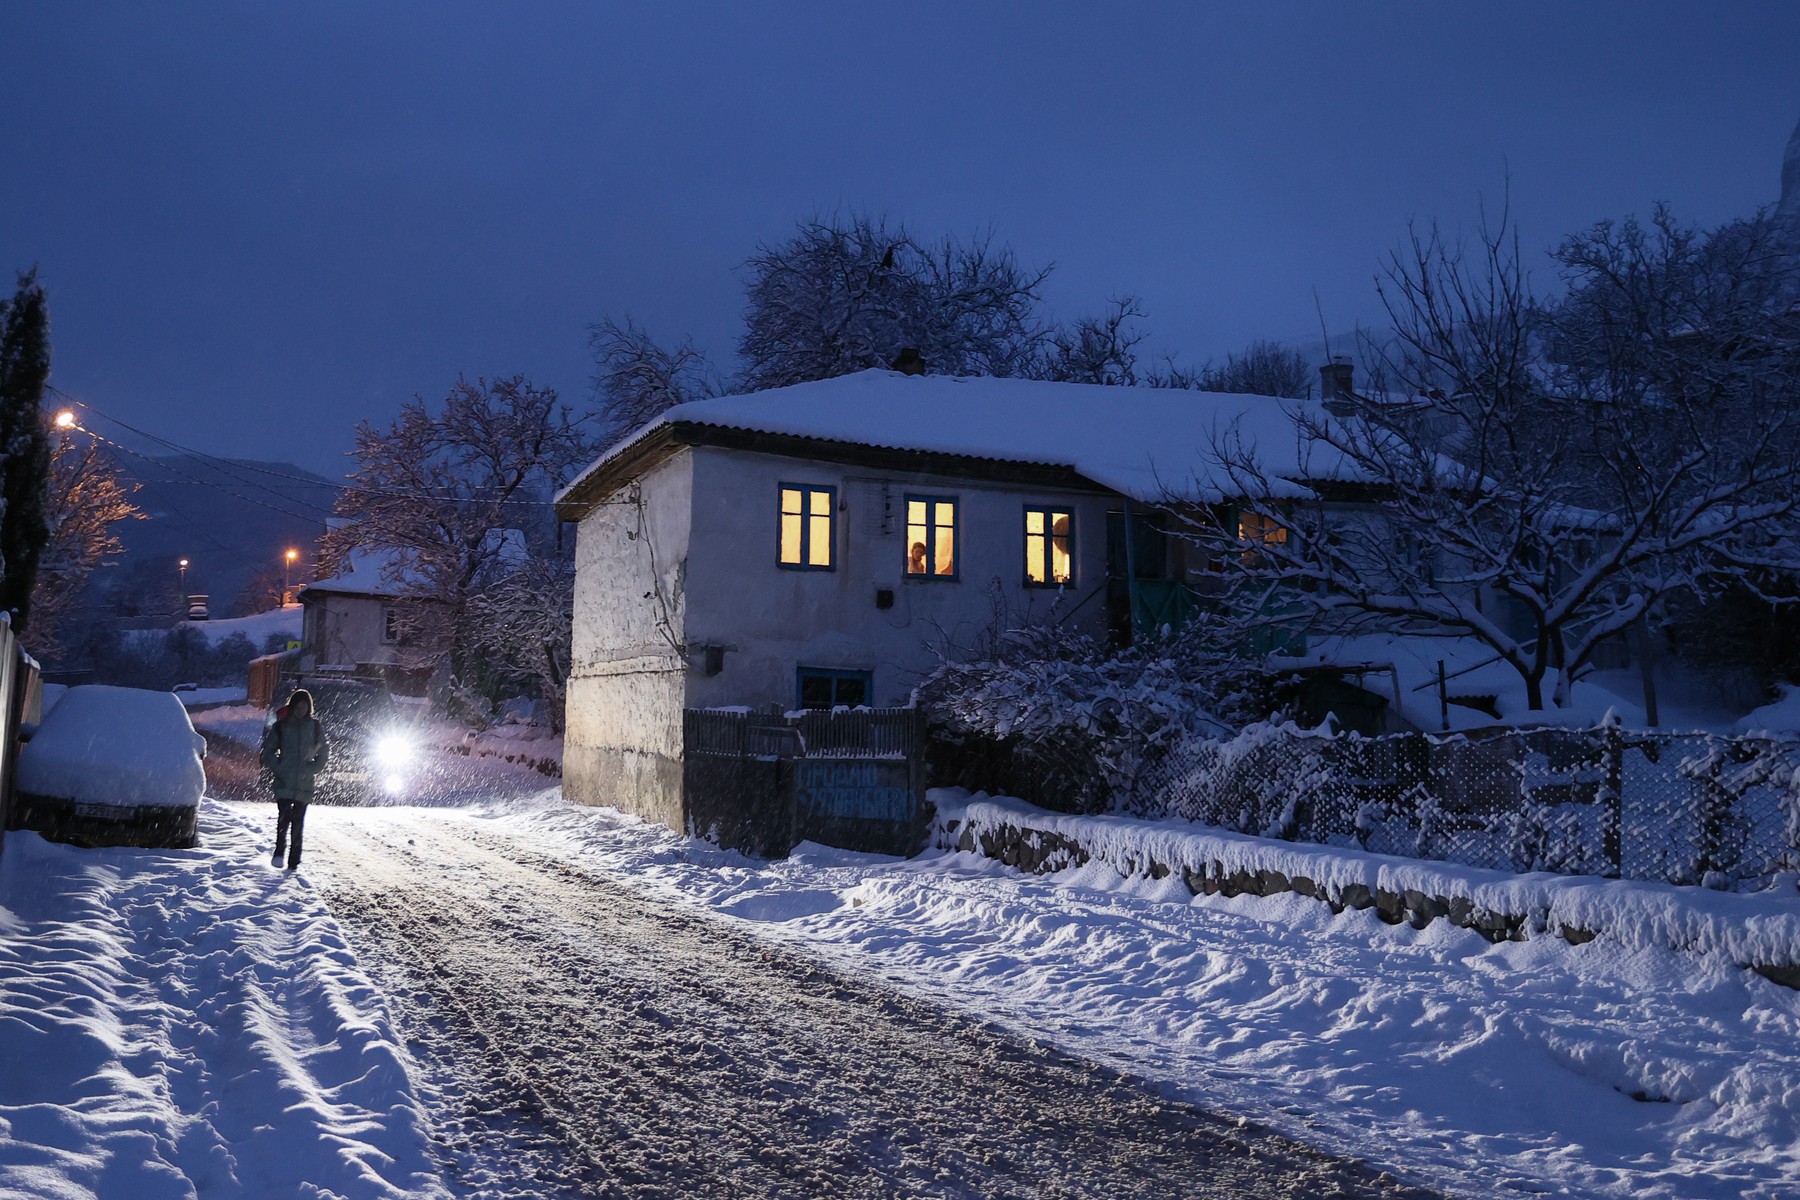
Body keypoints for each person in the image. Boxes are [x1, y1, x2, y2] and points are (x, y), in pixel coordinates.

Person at [260, 687, 329, 870]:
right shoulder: (282, 726)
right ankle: (279, 852)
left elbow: (323, 750)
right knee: (283, 819)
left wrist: (314, 768)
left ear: (309, 707)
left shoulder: (314, 727)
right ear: (293, 706)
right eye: (298, 707)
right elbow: (268, 751)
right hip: (284, 782)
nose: (301, 710)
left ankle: (294, 861)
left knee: (298, 823)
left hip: (304, 784)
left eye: (305, 707)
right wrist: (280, 766)